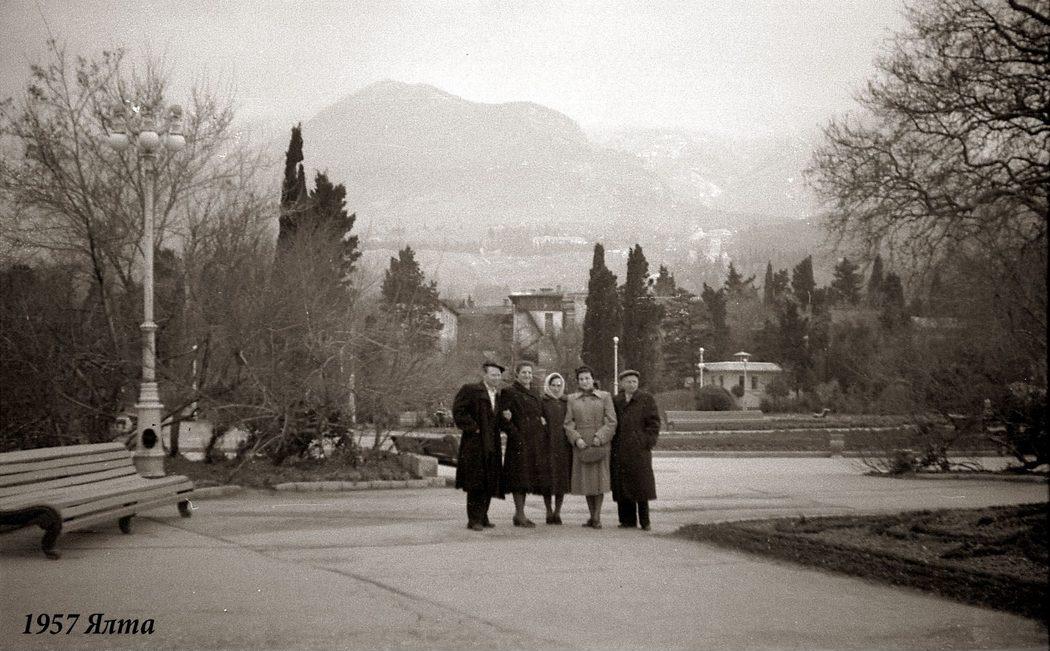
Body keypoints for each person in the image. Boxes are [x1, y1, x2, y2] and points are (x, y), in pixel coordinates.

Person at [452, 361, 506, 531]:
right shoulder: (471, 390)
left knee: (489, 479)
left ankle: (483, 516)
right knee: (475, 481)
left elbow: (495, 418)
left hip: (492, 443)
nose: (496, 378)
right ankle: (473, 519)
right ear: (485, 375)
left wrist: (506, 417)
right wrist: (473, 427)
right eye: (493, 375)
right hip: (475, 443)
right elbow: (458, 411)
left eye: (498, 375)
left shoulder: (497, 395)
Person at [564, 365, 617, 529]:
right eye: (581, 379)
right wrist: (576, 439)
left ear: (593, 379)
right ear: (577, 381)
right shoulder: (572, 399)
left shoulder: (605, 396)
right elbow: (568, 423)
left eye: (587, 378)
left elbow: (612, 421)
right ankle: (592, 516)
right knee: (586, 481)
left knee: (599, 480)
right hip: (582, 444)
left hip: (599, 443)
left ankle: (596, 517)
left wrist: (600, 437)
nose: (584, 381)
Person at [611, 369, 661, 530]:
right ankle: (627, 520)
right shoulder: (616, 400)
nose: (632, 384)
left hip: (639, 450)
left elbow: (654, 423)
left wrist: (646, 441)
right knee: (623, 485)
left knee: (641, 485)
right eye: (628, 382)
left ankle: (645, 521)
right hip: (620, 449)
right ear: (622, 383)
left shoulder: (646, 399)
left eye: (634, 381)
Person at [498, 361, 545, 527]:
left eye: (529, 373)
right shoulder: (509, 392)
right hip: (518, 441)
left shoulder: (535, 393)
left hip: (533, 441)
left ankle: (520, 514)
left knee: (526, 477)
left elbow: (539, 414)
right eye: (524, 372)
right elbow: (503, 419)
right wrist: (515, 434)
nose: (527, 375)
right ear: (517, 374)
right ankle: (519, 513)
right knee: (518, 477)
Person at [538, 372, 572, 524]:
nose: (556, 388)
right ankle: (548, 510)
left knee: (561, 480)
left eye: (559, 385)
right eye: (553, 385)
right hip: (547, 444)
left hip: (563, 445)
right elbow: (539, 420)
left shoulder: (566, 402)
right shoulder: (543, 401)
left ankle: (558, 511)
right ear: (548, 385)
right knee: (547, 479)